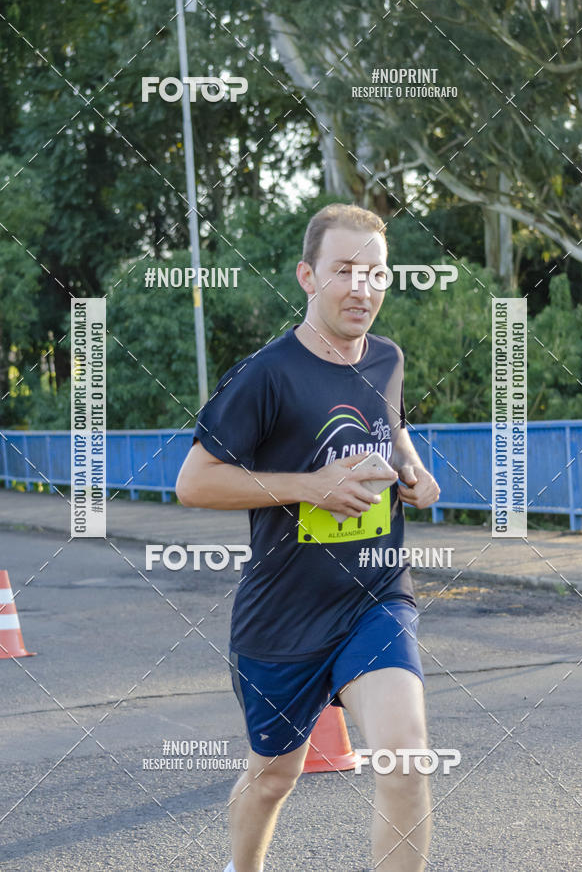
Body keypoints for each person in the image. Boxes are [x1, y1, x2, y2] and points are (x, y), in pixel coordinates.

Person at [176, 203, 441, 872]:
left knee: (405, 760)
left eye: (376, 273)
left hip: (375, 596)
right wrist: (308, 486)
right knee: (273, 777)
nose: (362, 288)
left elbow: (393, 426)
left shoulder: (387, 358)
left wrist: (414, 470)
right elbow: (194, 483)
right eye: (345, 271)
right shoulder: (266, 374)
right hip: (283, 615)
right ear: (306, 276)